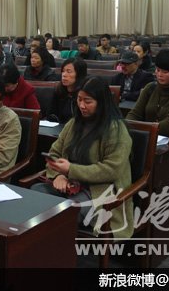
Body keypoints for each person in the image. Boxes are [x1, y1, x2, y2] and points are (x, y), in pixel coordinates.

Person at [32, 76, 133, 239]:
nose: (82, 105)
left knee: (61, 215)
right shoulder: (74, 124)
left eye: (88, 101)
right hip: (70, 185)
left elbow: (112, 170)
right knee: (36, 194)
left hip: (99, 191)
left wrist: (71, 170)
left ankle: (53, 251)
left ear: (101, 102)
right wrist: (59, 175)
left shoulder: (115, 129)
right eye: (79, 99)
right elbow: (54, 153)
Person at [127, 48, 169, 142]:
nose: (159, 75)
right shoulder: (150, 87)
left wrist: (141, 130)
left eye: (165, 72)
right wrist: (128, 126)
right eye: (158, 70)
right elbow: (134, 114)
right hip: (144, 138)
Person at [49, 58, 87, 123]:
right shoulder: (59, 91)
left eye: (68, 71)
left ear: (79, 74)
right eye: (63, 71)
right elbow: (51, 114)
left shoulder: (84, 94)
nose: (64, 75)